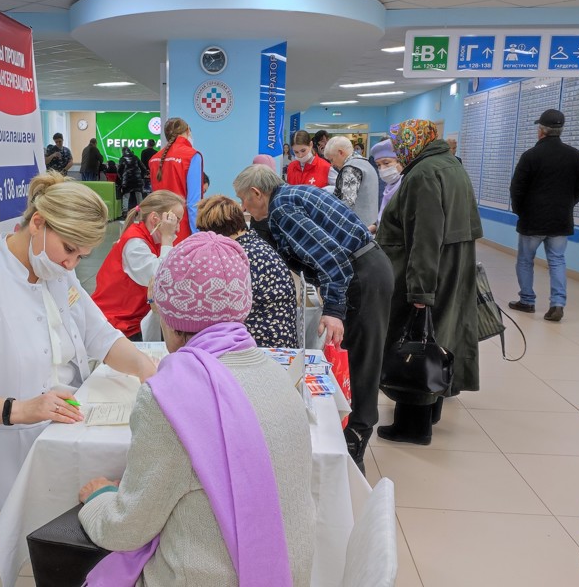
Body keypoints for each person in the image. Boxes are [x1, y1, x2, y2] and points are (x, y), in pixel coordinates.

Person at [78, 232, 315, 587]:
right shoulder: (276, 375)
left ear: (170, 320)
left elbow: (126, 529)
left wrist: (97, 499)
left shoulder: (169, 399)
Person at [0, 171, 157, 507]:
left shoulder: (57, 270)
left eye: (81, 257)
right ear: (38, 223)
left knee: (144, 469)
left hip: (68, 423)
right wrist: (22, 409)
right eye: (69, 249)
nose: (71, 263)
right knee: (128, 489)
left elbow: (99, 335)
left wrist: (147, 368)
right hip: (15, 441)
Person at [234, 164, 394, 472]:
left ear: (257, 193)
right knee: (361, 355)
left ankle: (354, 442)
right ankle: (352, 432)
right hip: (369, 268)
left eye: (243, 199)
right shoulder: (292, 195)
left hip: (363, 275)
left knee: (360, 359)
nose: (243, 207)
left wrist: (334, 310)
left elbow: (334, 259)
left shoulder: (281, 209)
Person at [375, 119, 482, 445]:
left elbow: (425, 235)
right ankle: (431, 406)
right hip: (452, 267)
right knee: (439, 337)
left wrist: (419, 291)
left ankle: (412, 425)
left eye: (398, 143)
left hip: (425, 270)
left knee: (415, 343)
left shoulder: (422, 175)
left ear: (411, 143)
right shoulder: (451, 164)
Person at [509, 108, 579, 322]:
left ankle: (527, 300)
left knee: (526, 260)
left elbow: (517, 188)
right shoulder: (575, 155)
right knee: (557, 261)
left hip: (532, 220)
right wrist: (567, 205)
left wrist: (520, 210)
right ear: (560, 131)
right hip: (560, 220)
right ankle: (557, 304)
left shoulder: (530, 156)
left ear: (541, 131)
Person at [196, 195, 300, 348]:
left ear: (215, 231)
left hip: (260, 345)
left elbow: (219, 307)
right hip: (278, 341)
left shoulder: (239, 256)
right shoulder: (255, 245)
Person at [92, 191, 184, 340]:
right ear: (155, 219)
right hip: (117, 322)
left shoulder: (150, 238)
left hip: (133, 317)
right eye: (175, 221)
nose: (178, 228)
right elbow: (162, 279)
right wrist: (167, 237)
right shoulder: (135, 244)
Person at [149, 117, 203, 243]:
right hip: (181, 227)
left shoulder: (154, 159)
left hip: (158, 226)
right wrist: (197, 235)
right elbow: (193, 202)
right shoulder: (192, 156)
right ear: (188, 130)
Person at [325, 135, 379, 227]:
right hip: (371, 225)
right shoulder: (365, 163)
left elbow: (345, 205)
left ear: (340, 152)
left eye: (332, 159)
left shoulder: (351, 169)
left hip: (358, 229)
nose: (332, 164)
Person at [368, 138, 404, 235]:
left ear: (400, 161)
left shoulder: (406, 186)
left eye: (386, 163)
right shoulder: (389, 186)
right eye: (378, 165)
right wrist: (373, 227)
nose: (382, 169)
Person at [117, 146, 149, 216]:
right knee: (138, 195)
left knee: (126, 196)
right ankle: (140, 211)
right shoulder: (135, 157)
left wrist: (121, 177)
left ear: (123, 152)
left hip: (127, 180)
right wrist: (142, 176)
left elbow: (119, 170)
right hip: (137, 179)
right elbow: (143, 167)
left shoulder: (122, 159)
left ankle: (125, 212)